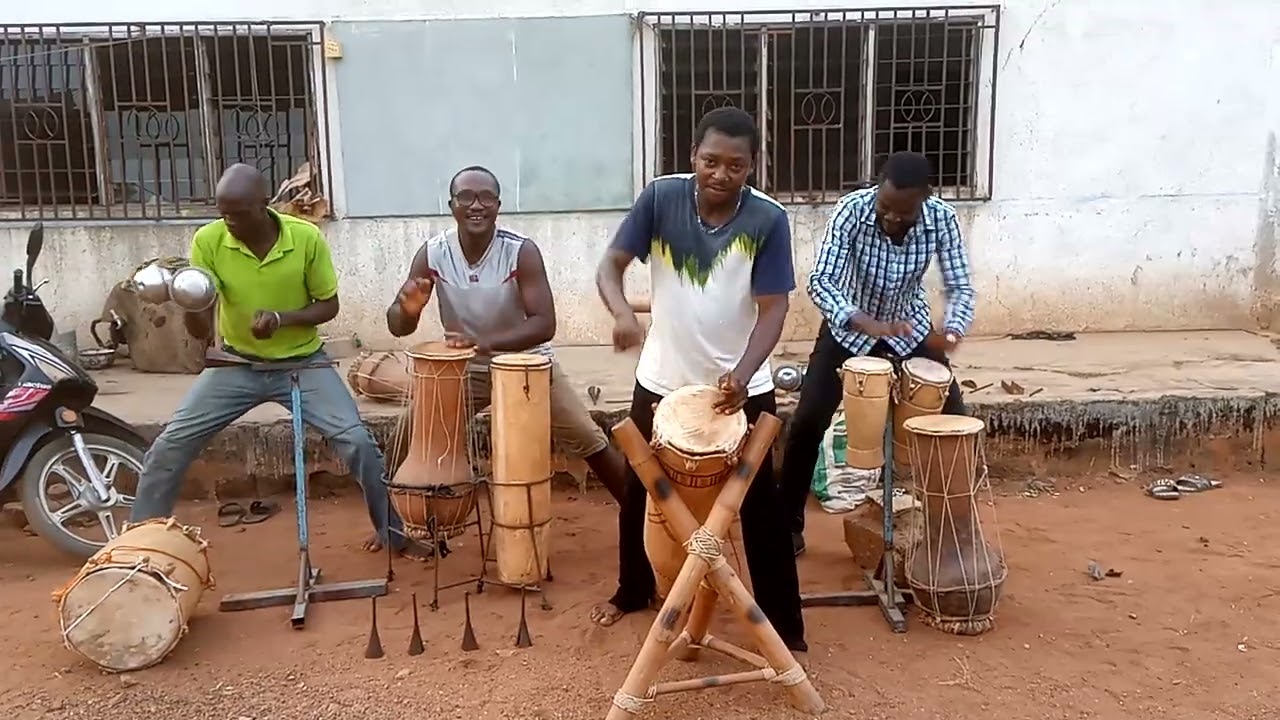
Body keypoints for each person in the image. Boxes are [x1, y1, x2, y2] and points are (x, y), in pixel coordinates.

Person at [592, 106, 808, 659]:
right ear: (693, 157)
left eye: (736, 165)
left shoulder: (768, 219)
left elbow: (774, 307)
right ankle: (633, 591)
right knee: (641, 492)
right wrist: (621, 312)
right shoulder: (661, 198)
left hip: (740, 388)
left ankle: (785, 625)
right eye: (710, 161)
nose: (721, 174)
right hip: (661, 380)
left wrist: (741, 373)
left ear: (752, 166)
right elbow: (611, 265)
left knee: (761, 507)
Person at [131, 163, 428, 560]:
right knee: (169, 447)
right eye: (223, 213)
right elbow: (201, 325)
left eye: (237, 213)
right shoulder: (209, 240)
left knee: (357, 443)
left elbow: (328, 306)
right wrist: (192, 301)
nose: (229, 222)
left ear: (263, 205)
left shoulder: (304, 238)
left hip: (301, 364)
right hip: (237, 365)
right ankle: (140, 549)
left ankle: (391, 532)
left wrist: (281, 319)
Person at [385, 165, 631, 505]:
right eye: (466, 197)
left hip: (527, 362)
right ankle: (389, 525)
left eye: (486, 197)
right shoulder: (433, 253)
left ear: (498, 206)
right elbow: (398, 327)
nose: (476, 205)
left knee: (587, 438)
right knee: (404, 438)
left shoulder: (521, 251)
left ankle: (638, 518)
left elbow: (544, 325)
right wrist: (407, 310)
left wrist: (487, 343)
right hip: (465, 368)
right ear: (451, 205)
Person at [779, 151, 977, 556]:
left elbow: (959, 286)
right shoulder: (852, 210)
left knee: (957, 422)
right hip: (849, 329)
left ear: (923, 200)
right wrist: (860, 320)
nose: (890, 218)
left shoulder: (941, 219)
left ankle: (955, 532)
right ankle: (787, 526)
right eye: (884, 207)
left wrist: (952, 329)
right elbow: (822, 280)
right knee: (807, 423)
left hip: (909, 327)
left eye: (902, 212)